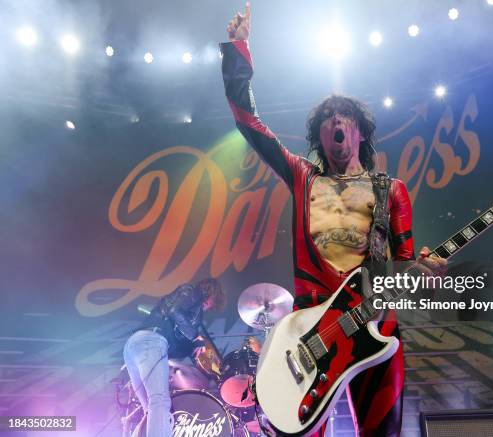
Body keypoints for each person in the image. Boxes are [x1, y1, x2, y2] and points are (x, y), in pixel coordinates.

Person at [221, 4, 447, 436]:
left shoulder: (391, 191)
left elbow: (402, 262)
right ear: (319, 136)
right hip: (310, 332)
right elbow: (250, 124)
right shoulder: (302, 176)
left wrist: (424, 273)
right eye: (327, 118)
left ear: (360, 131)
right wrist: (238, 54)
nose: (336, 121)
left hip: (373, 325)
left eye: (345, 116)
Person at [123, 279, 225, 437]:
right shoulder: (191, 291)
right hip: (151, 342)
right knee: (160, 401)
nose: (207, 308)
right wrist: (195, 337)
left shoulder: (187, 312)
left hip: (134, 346)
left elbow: (179, 336)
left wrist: (197, 351)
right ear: (210, 294)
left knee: (151, 409)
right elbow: (175, 310)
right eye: (208, 305)